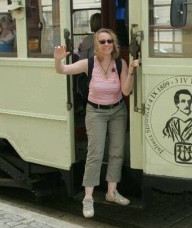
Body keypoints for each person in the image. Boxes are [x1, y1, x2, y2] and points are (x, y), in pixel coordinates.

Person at [54, 28, 139, 218]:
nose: (107, 44)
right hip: (95, 112)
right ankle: (88, 198)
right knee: (95, 153)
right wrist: (58, 59)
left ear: (114, 44)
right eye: (102, 41)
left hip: (117, 111)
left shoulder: (120, 63)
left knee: (117, 152)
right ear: (96, 45)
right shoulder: (89, 63)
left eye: (110, 41)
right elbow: (62, 70)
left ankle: (111, 192)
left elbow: (125, 92)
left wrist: (131, 73)